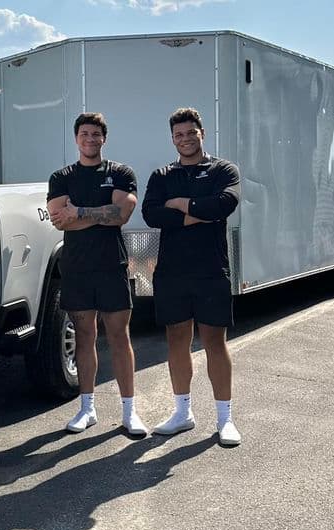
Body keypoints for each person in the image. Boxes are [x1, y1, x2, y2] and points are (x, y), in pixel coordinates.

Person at [141, 107, 242, 446]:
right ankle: (183, 413)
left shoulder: (223, 169)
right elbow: (152, 215)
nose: (185, 139)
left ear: (202, 133)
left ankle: (225, 419)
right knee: (176, 342)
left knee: (215, 342)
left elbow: (225, 204)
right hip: (172, 272)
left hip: (211, 271)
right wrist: (199, 211)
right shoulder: (161, 175)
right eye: (178, 135)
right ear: (172, 138)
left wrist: (181, 203)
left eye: (190, 133)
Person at [47, 112, 147, 436]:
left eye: (96, 134)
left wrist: (81, 213)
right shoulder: (61, 177)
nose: (90, 139)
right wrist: (99, 214)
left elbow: (123, 213)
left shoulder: (120, 173)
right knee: (85, 336)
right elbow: (60, 220)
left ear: (105, 138)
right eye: (84, 134)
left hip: (111, 265)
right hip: (76, 267)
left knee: (120, 336)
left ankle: (129, 412)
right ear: (76, 138)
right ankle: (87, 409)